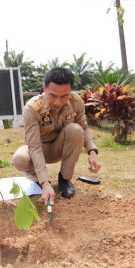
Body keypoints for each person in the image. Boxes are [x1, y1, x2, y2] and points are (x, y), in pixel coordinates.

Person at [11, 67, 101, 205]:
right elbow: (34, 147)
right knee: (19, 159)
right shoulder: (32, 108)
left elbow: (84, 127)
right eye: (52, 95)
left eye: (64, 96)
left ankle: (64, 180)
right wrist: (45, 182)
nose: (58, 102)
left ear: (70, 91)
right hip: (39, 149)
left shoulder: (76, 102)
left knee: (76, 130)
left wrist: (92, 152)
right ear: (44, 88)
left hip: (62, 147)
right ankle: (39, 181)